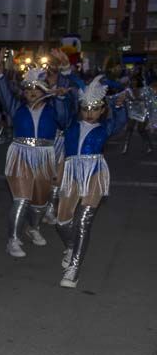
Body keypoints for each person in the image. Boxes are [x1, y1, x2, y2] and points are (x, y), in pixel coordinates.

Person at [0, 56, 74, 258]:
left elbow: (64, 121)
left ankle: (33, 227)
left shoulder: (54, 109)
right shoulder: (16, 108)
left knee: (39, 203)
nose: (32, 92)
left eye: (36, 88)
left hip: (45, 155)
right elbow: (3, 94)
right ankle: (13, 239)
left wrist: (63, 90)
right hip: (20, 154)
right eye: (28, 88)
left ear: (45, 91)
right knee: (21, 199)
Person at [54, 77, 127, 288]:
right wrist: (60, 98)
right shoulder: (70, 123)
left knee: (84, 222)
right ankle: (71, 245)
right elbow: (60, 114)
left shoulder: (106, 127)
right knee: (62, 222)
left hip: (94, 171)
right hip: (71, 171)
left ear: (102, 109)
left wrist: (119, 106)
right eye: (86, 108)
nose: (89, 113)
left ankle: (73, 269)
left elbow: (120, 122)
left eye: (95, 108)